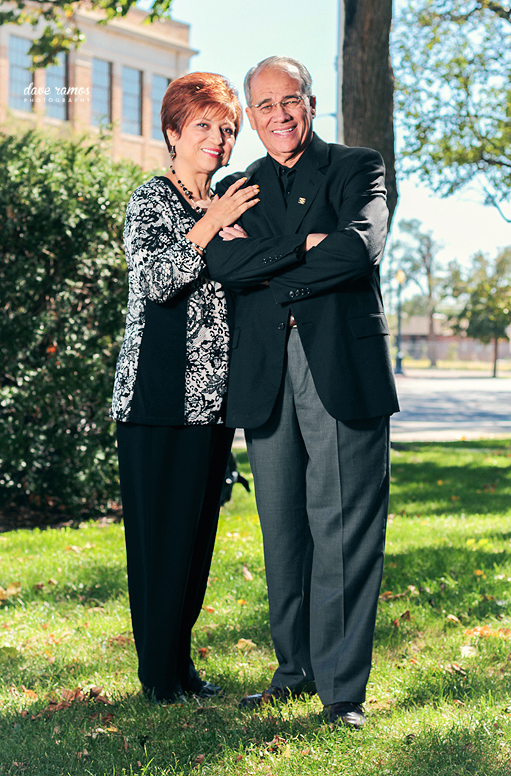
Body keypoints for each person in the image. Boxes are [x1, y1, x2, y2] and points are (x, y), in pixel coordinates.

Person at [204, 56, 399, 729]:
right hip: (265, 371)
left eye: (290, 100)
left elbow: (359, 247)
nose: (279, 114)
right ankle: (294, 671)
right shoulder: (237, 186)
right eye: (264, 105)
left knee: (342, 527)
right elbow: (223, 263)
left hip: (340, 366)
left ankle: (341, 692)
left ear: (310, 105)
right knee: (283, 529)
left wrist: (269, 259)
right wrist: (306, 245)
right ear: (251, 117)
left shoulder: (356, 167)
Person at [110, 72, 259, 704]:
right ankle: (157, 678)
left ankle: (179, 666)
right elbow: (155, 282)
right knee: (159, 543)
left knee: (195, 545)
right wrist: (210, 224)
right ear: (173, 132)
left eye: (227, 129)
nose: (217, 139)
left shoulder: (229, 202)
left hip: (213, 402)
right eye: (203, 126)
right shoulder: (152, 199)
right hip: (155, 398)